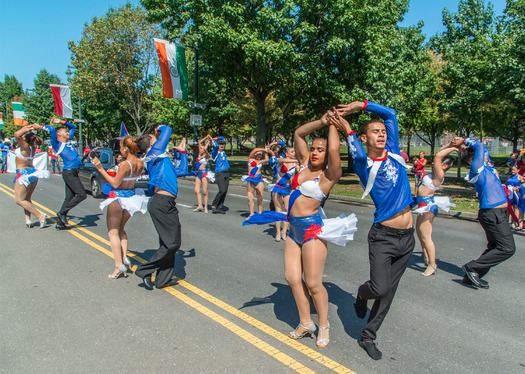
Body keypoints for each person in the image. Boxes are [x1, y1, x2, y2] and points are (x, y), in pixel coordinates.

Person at [335, 100, 414, 361]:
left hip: (407, 239)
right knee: (379, 288)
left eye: (383, 131)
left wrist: (361, 104)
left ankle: (368, 335)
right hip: (384, 237)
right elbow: (355, 148)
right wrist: (347, 126)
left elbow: (390, 112)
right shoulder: (363, 163)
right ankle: (362, 292)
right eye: (375, 132)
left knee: (388, 293)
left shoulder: (392, 150)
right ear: (365, 137)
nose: (381, 134)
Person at [284, 111, 343, 349]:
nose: (317, 152)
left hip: (312, 230)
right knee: (291, 278)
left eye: (322, 149)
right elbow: (298, 133)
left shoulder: (329, 175)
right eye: (315, 148)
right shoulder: (303, 165)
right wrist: (323, 121)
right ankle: (306, 322)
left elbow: (336, 151)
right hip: (293, 229)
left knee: (313, 283)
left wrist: (334, 126)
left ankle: (324, 325)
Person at [452, 136, 516, 289]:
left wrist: (466, 145)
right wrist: (465, 140)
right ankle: (472, 268)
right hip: (492, 213)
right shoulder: (477, 169)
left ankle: (471, 276)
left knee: (495, 246)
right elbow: (480, 146)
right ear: (474, 158)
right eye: (482, 156)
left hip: (496, 213)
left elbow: (483, 150)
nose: (485, 156)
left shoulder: (487, 167)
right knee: (507, 248)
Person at [93, 136, 149, 279]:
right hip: (131, 198)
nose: (120, 150)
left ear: (125, 148)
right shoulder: (140, 162)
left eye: (120, 147)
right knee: (121, 229)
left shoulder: (125, 164)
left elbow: (115, 183)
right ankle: (124, 258)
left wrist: (100, 168)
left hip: (118, 198)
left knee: (112, 232)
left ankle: (119, 265)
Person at [134, 125, 181, 290]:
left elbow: (176, 172)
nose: (159, 138)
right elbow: (168, 129)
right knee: (172, 244)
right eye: (155, 138)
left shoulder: (158, 156)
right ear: (151, 144)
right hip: (162, 203)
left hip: (164, 203)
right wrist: (160, 128)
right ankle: (144, 270)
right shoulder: (155, 151)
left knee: (168, 243)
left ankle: (163, 280)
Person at [414, 144, 457, 276]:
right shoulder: (434, 173)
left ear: (444, 166)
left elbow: (439, 156)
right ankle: (427, 258)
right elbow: (439, 153)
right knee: (420, 233)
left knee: (426, 236)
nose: (434, 161)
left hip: (428, 206)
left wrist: (454, 148)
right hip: (422, 205)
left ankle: (432, 265)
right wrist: (449, 144)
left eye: (438, 162)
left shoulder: (439, 175)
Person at [43, 118, 86, 229]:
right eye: (65, 132)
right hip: (69, 172)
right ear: (59, 134)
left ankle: (60, 223)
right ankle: (62, 213)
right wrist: (42, 126)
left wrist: (63, 122)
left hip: (74, 172)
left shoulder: (68, 141)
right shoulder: (57, 144)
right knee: (81, 194)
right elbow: (52, 129)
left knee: (69, 197)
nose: (68, 133)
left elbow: (73, 127)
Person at [12, 124, 49, 228]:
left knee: (19, 200)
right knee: (27, 198)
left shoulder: (25, 146)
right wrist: (31, 126)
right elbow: (20, 132)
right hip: (32, 172)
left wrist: (31, 128)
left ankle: (40, 215)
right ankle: (27, 219)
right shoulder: (31, 146)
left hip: (23, 173)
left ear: (24, 139)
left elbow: (16, 134)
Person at [268, 145, 298, 241]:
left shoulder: (295, 163)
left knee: (287, 210)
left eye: (294, 152)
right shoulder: (281, 160)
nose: (294, 153)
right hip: (278, 188)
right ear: (286, 153)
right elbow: (280, 161)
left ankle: (284, 232)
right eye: (292, 152)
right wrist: (296, 160)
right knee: (278, 210)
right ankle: (277, 232)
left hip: (288, 189)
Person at [242, 147, 270, 217]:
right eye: (258, 154)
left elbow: (267, 160)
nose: (259, 155)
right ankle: (251, 214)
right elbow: (255, 150)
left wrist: (266, 152)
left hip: (259, 179)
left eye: (261, 154)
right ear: (255, 154)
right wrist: (263, 149)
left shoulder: (261, 161)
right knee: (250, 197)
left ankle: (260, 212)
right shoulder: (250, 159)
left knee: (260, 197)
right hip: (251, 179)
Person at [209, 135, 230, 214]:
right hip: (220, 173)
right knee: (222, 190)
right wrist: (213, 141)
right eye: (220, 144)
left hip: (226, 172)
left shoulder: (223, 152)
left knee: (225, 191)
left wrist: (216, 138)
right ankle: (214, 205)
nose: (222, 146)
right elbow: (216, 146)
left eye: (222, 144)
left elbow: (222, 137)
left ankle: (220, 206)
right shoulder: (215, 153)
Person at [193, 135, 212, 213]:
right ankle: (200, 205)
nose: (200, 149)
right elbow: (199, 142)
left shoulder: (206, 156)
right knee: (196, 190)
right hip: (198, 173)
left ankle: (206, 207)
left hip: (204, 173)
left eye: (201, 148)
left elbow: (208, 154)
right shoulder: (199, 155)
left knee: (205, 191)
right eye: (200, 148)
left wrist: (206, 148)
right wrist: (206, 137)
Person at [506, 165, 522, 230]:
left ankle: (514, 222)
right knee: (509, 208)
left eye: (514, 170)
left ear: (518, 170)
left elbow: (522, 184)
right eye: (512, 170)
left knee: (516, 208)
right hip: (510, 193)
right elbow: (506, 184)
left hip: (516, 194)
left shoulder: (520, 177)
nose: (512, 171)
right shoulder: (509, 177)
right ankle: (507, 221)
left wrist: (518, 188)